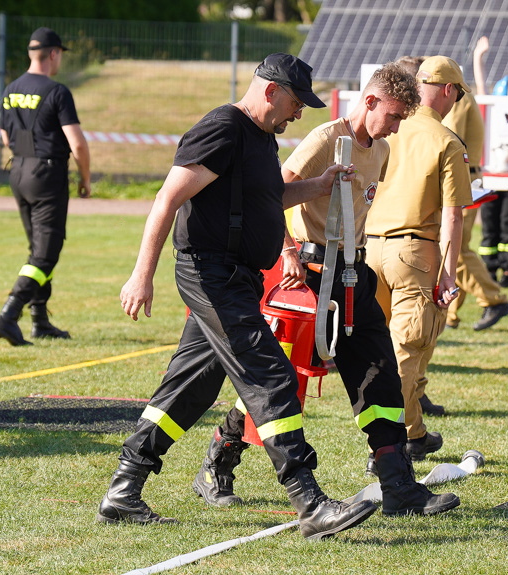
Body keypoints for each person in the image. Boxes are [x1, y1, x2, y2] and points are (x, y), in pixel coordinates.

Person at [98, 53, 379, 540]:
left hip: (237, 276)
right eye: (295, 102)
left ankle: (124, 489)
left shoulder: (261, 138)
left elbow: (266, 200)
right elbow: (168, 199)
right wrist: (141, 274)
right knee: (270, 373)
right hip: (212, 274)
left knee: (194, 384)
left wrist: (319, 184)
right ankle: (308, 501)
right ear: (271, 90)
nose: (299, 113)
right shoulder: (223, 129)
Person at [192, 61, 461, 519]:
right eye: (393, 117)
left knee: (379, 373)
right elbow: (271, 193)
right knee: (281, 381)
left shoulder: (381, 149)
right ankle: (218, 462)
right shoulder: (323, 139)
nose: (396, 128)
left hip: (354, 272)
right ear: (370, 101)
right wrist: (288, 250)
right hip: (310, 272)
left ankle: (398, 485)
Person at [363, 56, 472, 473]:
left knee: (378, 352)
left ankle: (413, 433)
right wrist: (449, 272)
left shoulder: (388, 126)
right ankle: (385, 449)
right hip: (415, 255)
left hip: (370, 249)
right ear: (447, 90)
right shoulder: (445, 141)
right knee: (408, 351)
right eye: (458, 93)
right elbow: (453, 215)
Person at [0, 27, 91, 346]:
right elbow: (78, 143)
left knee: (37, 250)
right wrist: (85, 179)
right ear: (53, 53)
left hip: (18, 171)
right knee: (45, 255)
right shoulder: (57, 91)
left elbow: (6, 137)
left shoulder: (11, 89)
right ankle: (9, 314)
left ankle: (40, 320)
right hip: (47, 175)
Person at [442, 37, 508, 333]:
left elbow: (446, 137)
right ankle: (451, 313)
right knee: (457, 248)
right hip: (465, 176)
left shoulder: (458, 100)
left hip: (462, 179)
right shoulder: (464, 97)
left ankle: (493, 298)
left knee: (454, 250)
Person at [479, 73, 508, 289]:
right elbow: (481, 91)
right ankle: (489, 269)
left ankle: (507, 271)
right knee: (489, 227)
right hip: (490, 180)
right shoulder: (489, 117)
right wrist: (479, 59)